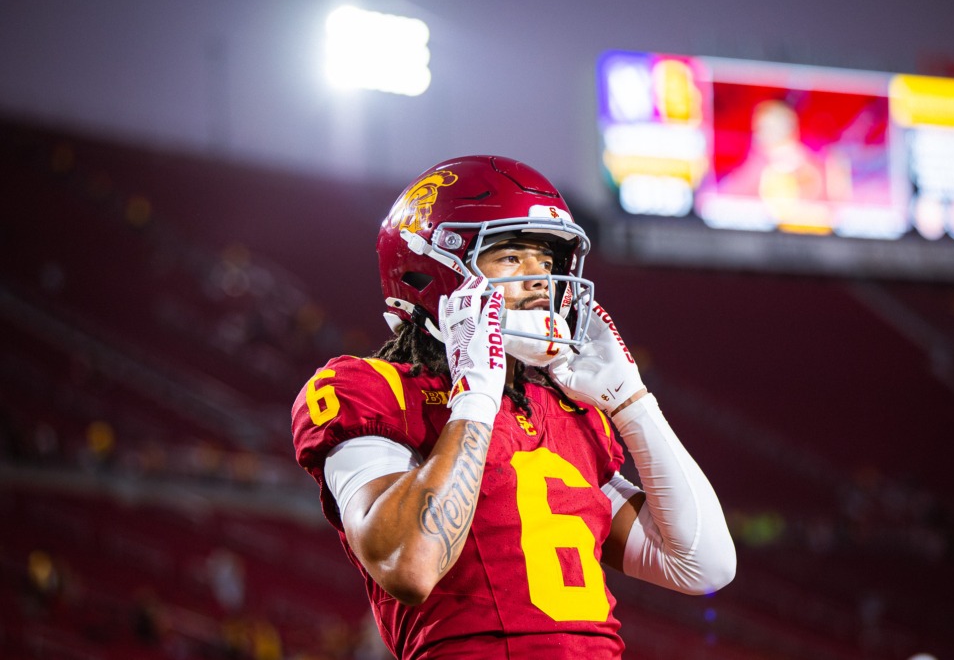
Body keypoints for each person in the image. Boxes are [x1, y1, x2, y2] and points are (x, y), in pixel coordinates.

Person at [291, 155, 735, 659]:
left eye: (547, 262)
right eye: (510, 257)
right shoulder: (374, 389)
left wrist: (632, 402)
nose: (540, 281)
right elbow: (409, 566)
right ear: (432, 269)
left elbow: (703, 565)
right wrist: (476, 393)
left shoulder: (562, 410)